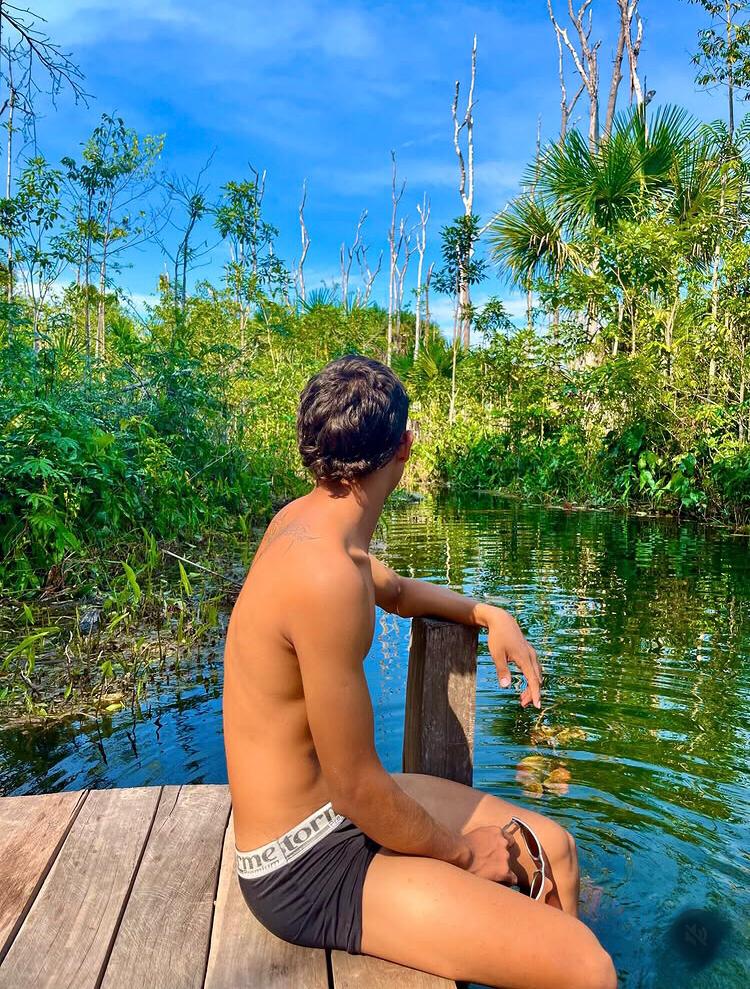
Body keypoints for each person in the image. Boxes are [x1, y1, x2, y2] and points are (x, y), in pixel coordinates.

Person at [222, 355, 617, 989]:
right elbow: (356, 788)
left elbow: (401, 592)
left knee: (558, 852)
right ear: (405, 446)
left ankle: (539, 949)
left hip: (340, 812)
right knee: (591, 969)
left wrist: (488, 613)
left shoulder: (312, 528)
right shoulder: (323, 578)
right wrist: (466, 854)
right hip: (303, 864)